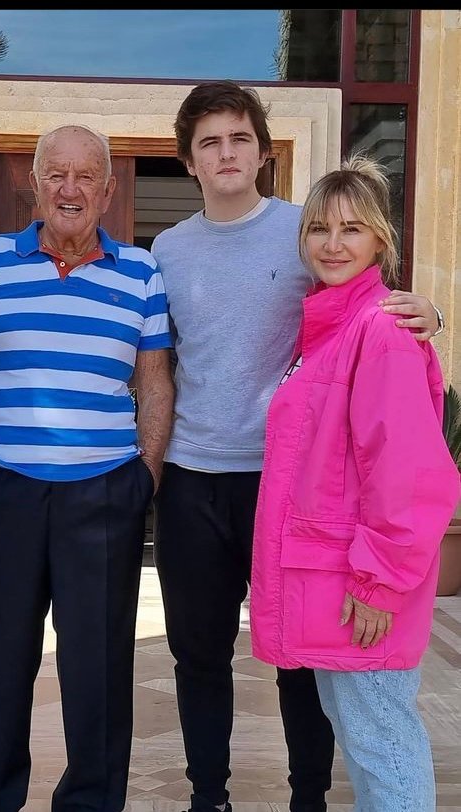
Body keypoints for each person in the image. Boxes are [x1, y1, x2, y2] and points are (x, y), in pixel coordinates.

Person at [150, 80, 441, 812]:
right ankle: (208, 796)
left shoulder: (304, 229)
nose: (226, 153)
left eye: (240, 139)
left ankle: (307, 797)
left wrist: (427, 311)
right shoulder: (167, 250)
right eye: (210, 142)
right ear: (189, 160)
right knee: (198, 654)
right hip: (193, 474)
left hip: (285, 482)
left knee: (303, 657)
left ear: (262, 153)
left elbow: (365, 304)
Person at [0, 123, 174, 812]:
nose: (69, 189)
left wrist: (144, 476)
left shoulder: (141, 271)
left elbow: (156, 381)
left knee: (98, 669)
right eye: (56, 174)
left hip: (103, 494)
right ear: (35, 184)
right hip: (3, 492)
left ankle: (90, 802)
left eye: (85, 177)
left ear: (108, 192)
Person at [249, 155, 459, 811]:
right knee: (368, 739)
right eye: (319, 229)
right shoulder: (331, 328)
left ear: (380, 241)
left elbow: (408, 474)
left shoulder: (379, 329)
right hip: (334, 581)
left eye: (351, 229)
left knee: (382, 744)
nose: (333, 244)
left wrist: (379, 582)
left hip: (359, 587)